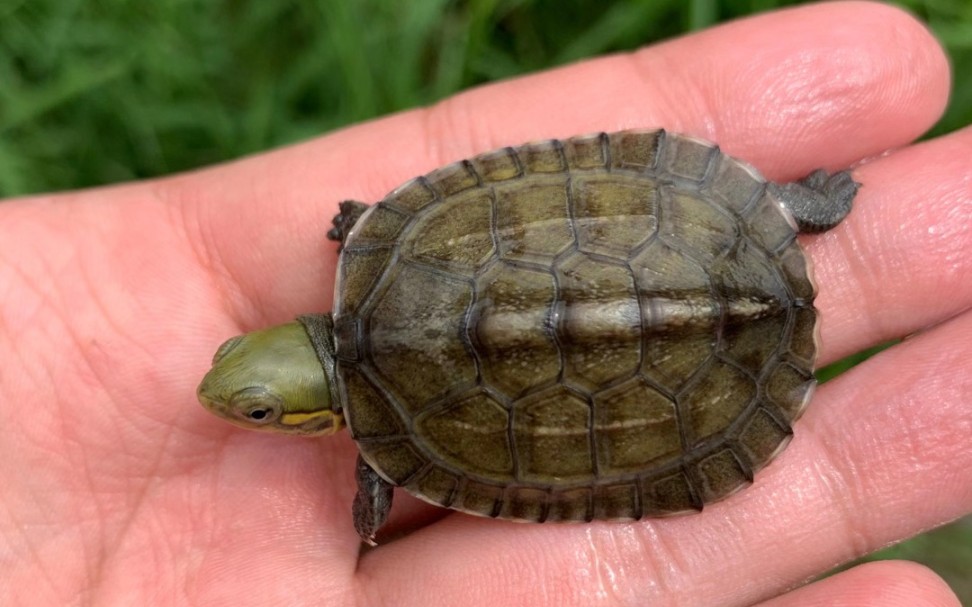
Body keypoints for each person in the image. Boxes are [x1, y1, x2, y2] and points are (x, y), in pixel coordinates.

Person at [0, 2, 967, 605]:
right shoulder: (385, 238)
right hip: (705, 244)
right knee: (685, 216)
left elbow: (390, 471)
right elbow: (376, 223)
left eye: (258, 411)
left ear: (312, 415)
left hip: (692, 388)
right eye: (252, 403)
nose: (243, 411)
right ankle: (793, 210)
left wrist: (370, 502)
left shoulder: (397, 440)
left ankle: (784, 212)